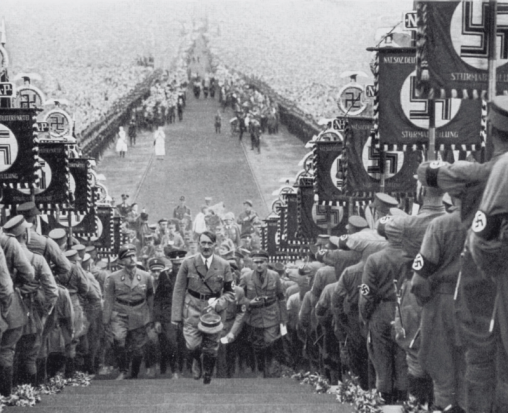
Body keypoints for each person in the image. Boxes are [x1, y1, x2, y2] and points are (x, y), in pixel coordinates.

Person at [171, 231, 235, 384]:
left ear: (215, 245)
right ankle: (196, 361)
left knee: (211, 347)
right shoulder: (188, 263)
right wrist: (176, 316)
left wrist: (219, 303)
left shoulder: (224, 265)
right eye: (203, 243)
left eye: (209, 243)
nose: (206, 246)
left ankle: (207, 373)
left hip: (214, 311)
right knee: (192, 345)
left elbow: (230, 293)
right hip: (192, 308)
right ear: (198, 244)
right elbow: (179, 290)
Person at [103, 244, 154, 380]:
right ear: (121, 261)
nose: (131, 259)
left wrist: (151, 317)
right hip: (120, 313)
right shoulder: (113, 278)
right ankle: (123, 370)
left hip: (139, 314)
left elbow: (150, 297)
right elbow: (108, 299)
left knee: (138, 348)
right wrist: (106, 320)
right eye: (127, 257)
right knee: (119, 339)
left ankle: (134, 373)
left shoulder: (146, 276)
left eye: (133, 256)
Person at [239, 250, 287, 378]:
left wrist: (283, 319)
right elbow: (238, 296)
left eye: (262, 262)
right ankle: (260, 368)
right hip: (254, 315)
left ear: (267, 262)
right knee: (257, 344)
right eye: (256, 262)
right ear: (252, 263)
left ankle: (269, 367)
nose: (259, 265)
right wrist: (249, 302)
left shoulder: (274, 276)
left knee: (270, 341)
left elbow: (281, 297)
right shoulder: (246, 277)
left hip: (271, 313)